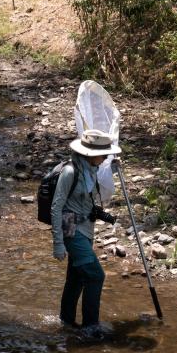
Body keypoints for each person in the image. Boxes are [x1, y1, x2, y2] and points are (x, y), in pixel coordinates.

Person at [51, 129, 121, 338]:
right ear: (90, 154)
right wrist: (58, 242)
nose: (106, 157)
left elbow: (96, 184)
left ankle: (66, 322)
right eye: (104, 154)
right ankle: (91, 326)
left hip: (86, 228)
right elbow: (56, 207)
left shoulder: (90, 168)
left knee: (77, 278)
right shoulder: (70, 172)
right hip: (71, 230)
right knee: (96, 275)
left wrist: (113, 170)